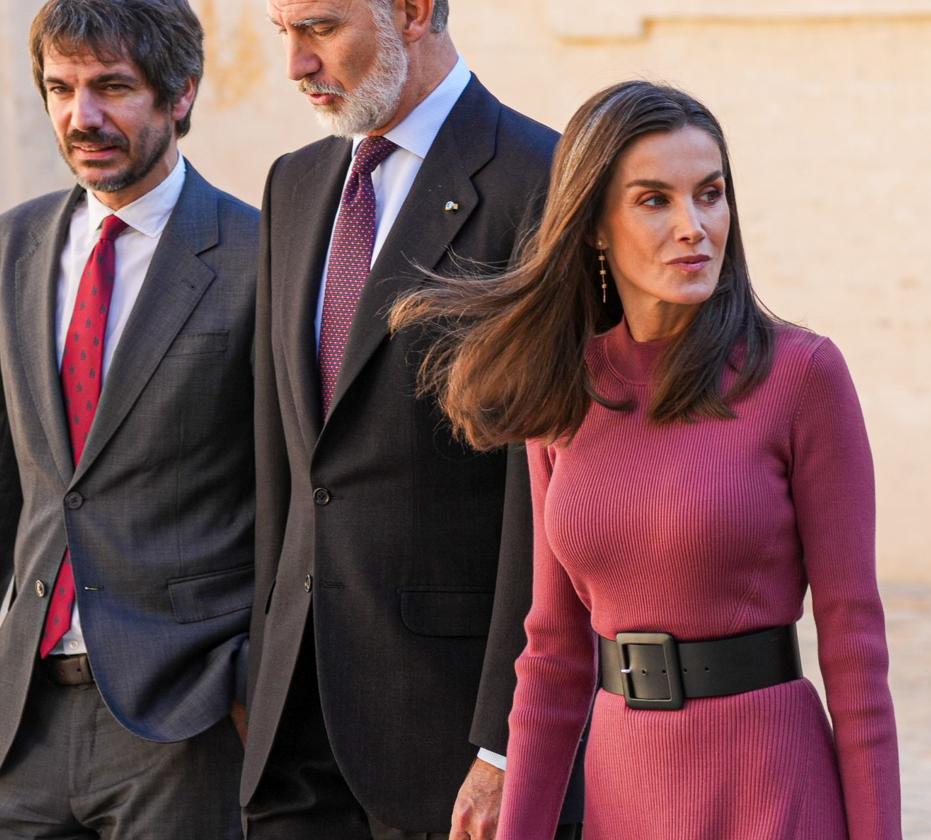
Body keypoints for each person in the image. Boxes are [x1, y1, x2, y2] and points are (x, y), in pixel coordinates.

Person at [389, 81, 904, 838]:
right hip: (625, 788)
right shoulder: (562, 391)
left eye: (711, 194)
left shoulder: (801, 375)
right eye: (654, 200)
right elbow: (555, 655)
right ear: (595, 226)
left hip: (771, 784)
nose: (694, 226)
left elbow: (855, 646)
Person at [244, 1, 582, 838]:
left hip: (446, 736)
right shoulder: (293, 183)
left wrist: (508, 742)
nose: (295, 64)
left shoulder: (543, 181)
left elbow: (543, 496)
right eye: (281, 32)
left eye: (320, 28)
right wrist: (262, 665)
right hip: (295, 733)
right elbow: (284, 458)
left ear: (412, 10)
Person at [0, 0, 258, 836]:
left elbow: (293, 492)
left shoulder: (259, 257)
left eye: (113, 87)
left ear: (180, 94)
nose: (83, 117)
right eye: (61, 89)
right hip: (21, 718)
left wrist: (248, 682)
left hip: (182, 721)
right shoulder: (12, 249)